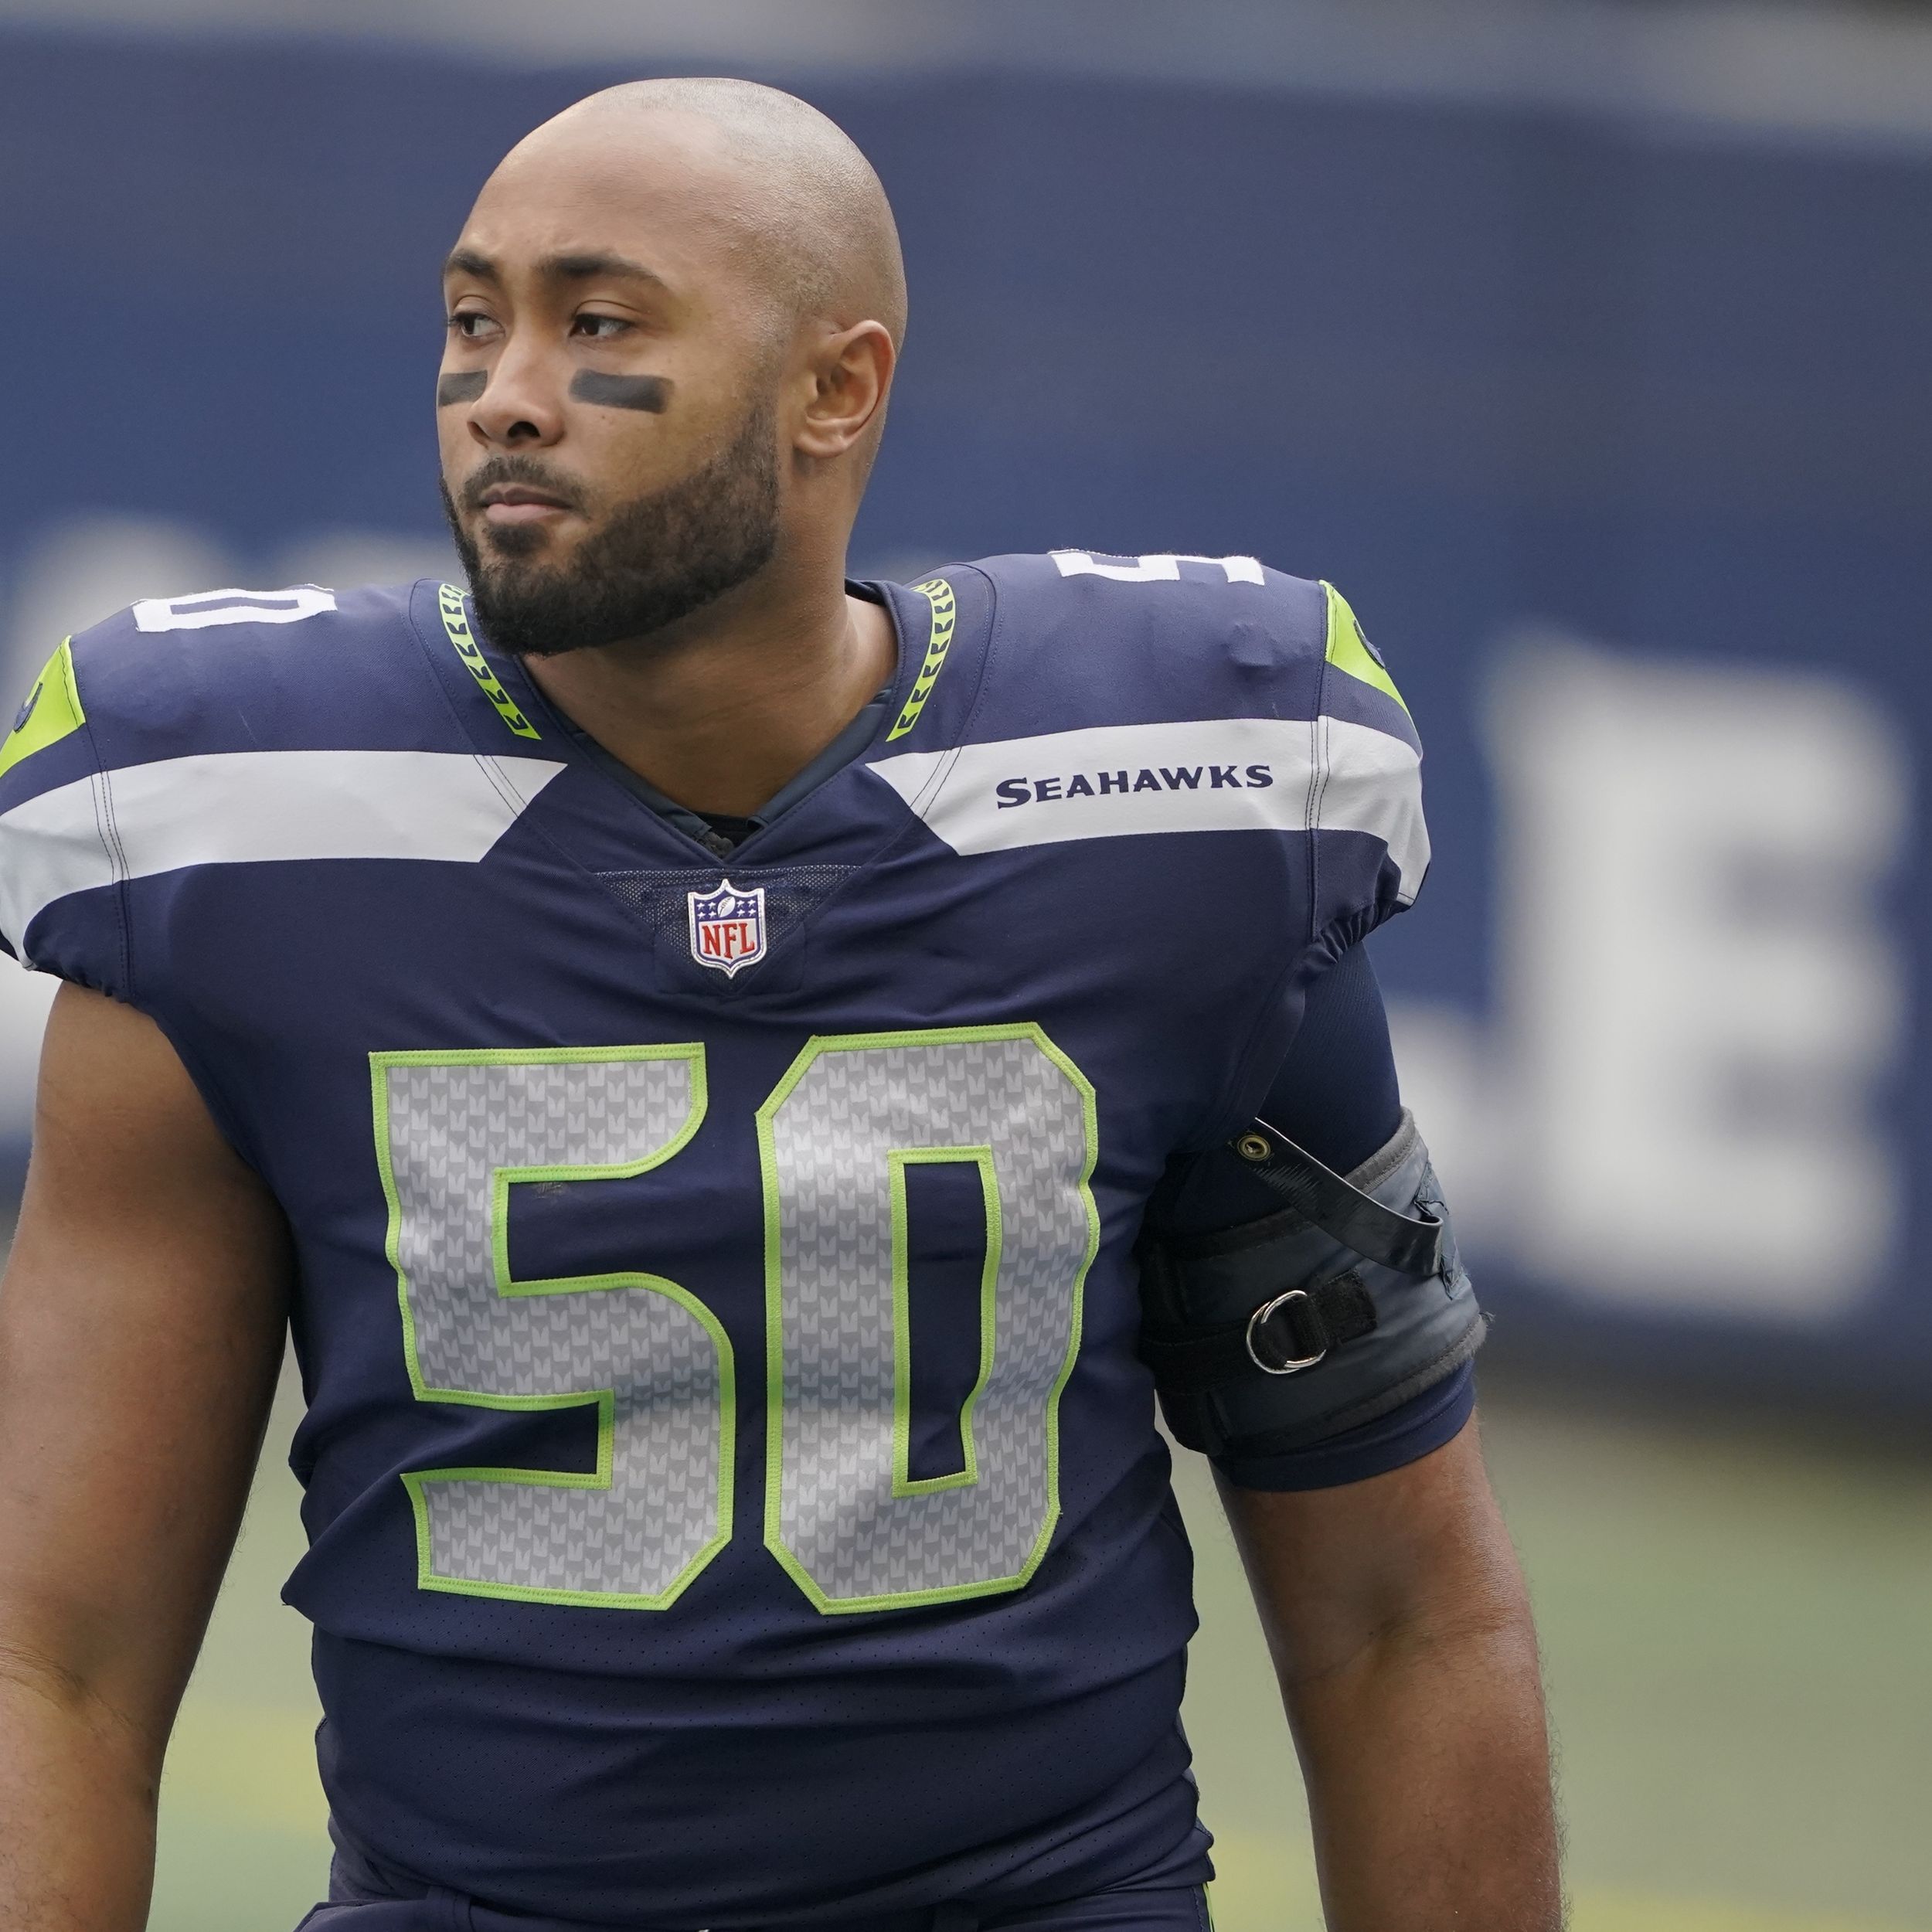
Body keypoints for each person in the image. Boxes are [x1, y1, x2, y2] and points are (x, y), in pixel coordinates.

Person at [0, 79, 1558, 1932]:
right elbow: (56, 1654)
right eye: (472, 315)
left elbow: (1401, 1608)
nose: (503, 386)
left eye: (599, 322)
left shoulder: (1186, 792)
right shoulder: (230, 818)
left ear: (838, 388)